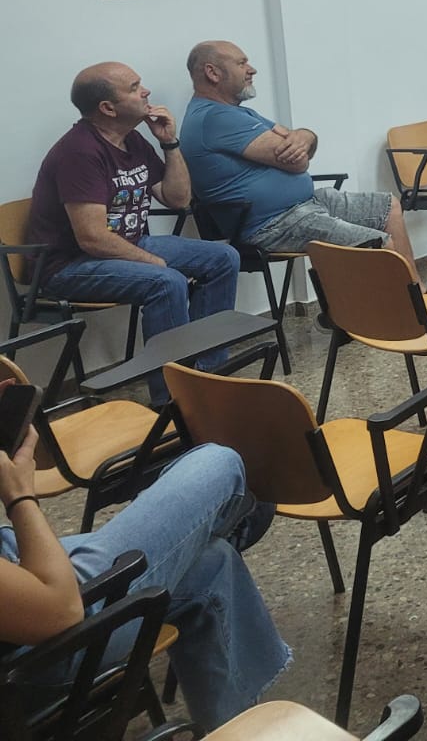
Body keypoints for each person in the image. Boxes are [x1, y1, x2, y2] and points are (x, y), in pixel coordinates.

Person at [0, 419, 289, 731]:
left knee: (211, 563)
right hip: (34, 654)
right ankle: (236, 517)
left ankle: (235, 734)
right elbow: (61, 611)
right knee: (220, 464)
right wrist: (19, 496)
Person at [26, 63, 240, 391]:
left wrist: (169, 143)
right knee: (166, 282)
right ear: (108, 108)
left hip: (128, 243)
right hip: (67, 265)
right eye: (134, 87)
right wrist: (154, 263)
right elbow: (92, 238)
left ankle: (206, 372)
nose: (146, 92)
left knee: (224, 257)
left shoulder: (133, 140)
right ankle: (173, 398)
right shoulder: (79, 152)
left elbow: (178, 199)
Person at [180, 41, 415, 269]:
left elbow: (298, 141)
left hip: (304, 205)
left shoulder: (239, 113)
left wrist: (306, 135)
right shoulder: (215, 118)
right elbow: (297, 161)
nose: (252, 70)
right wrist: (301, 142)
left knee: (389, 206)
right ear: (213, 73)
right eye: (241, 64)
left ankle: (419, 296)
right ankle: (398, 307)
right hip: (272, 224)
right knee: (379, 244)